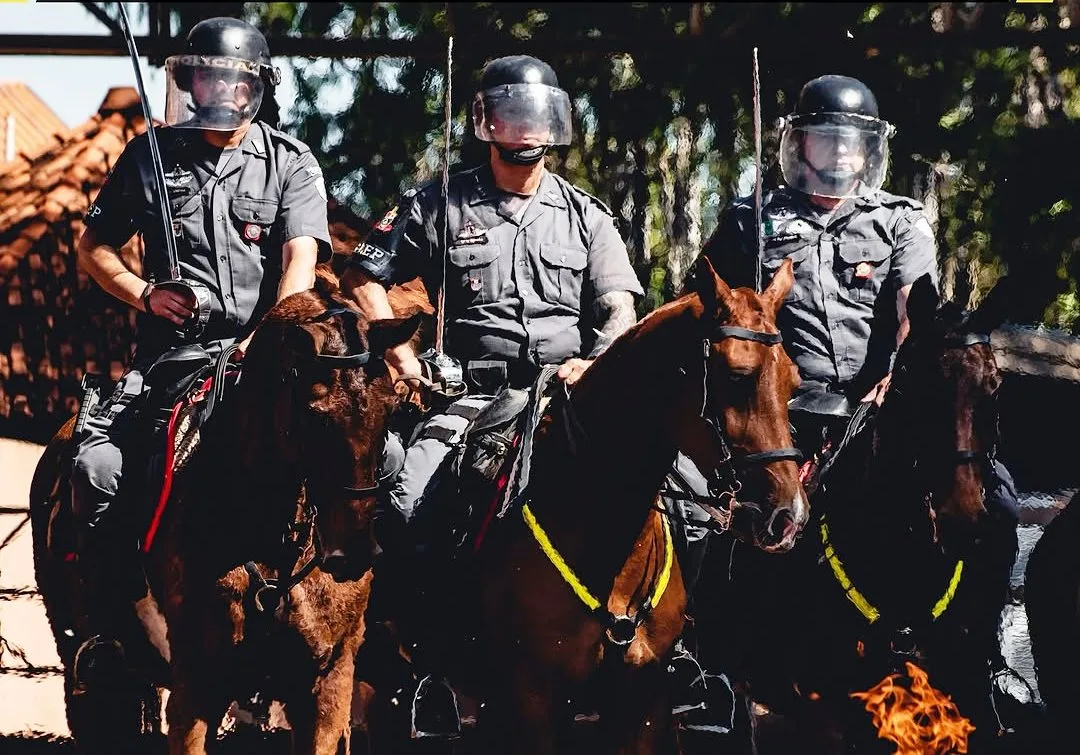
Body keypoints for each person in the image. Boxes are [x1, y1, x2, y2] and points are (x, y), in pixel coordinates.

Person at [340, 54, 662, 737]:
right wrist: (399, 352)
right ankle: (418, 659)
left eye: (535, 115)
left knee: (691, 496)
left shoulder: (586, 217)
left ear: (555, 125)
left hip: (568, 395)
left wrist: (596, 362)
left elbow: (620, 307)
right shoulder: (439, 201)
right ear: (486, 123)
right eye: (509, 114)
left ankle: (686, 658)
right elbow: (364, 271)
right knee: (404, 502)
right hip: (469, 397)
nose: (523, 129)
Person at [696, 72, 1020, 713]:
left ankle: (985, 659)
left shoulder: (900, 222)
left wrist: (891, 378)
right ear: (800, 144)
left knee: (1000, 502)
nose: (841, 152)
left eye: (854, 141)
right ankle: (716, 672)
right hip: (781, 416)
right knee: (713, 517)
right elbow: (717, 312)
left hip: (879, 407)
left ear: (872, 149)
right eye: (827, 138)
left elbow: (912, 310)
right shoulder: (749, 221)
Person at [69, 16, 332, 691]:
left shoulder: (292, 162)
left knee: (369, 461)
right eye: (208, 76)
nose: (221, 89)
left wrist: (268, 331)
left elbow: (301, 258)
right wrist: (144, 291)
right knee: (98, 469)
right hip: (174, 365)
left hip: (266, 360)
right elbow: (92, 247)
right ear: (189, 82)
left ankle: (376, 634)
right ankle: (108, 627)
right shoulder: (148, 155)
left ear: (258, 88)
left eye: (235, 79)